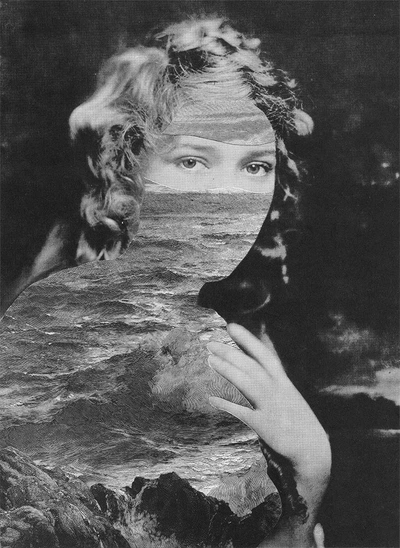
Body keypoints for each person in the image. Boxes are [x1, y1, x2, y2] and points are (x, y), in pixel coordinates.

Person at [70, 18, 331, 546]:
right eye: (192, 161)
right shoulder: (53, 334)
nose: (227, 195)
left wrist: (310, 479)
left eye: (255, 167)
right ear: (128, 168)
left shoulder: (243, 334)